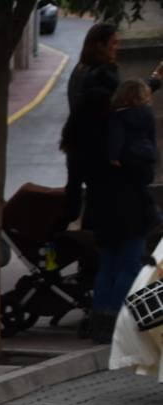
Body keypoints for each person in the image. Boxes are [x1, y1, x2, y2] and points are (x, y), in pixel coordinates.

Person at [61, 23, 163, 230]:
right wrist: (152, 84)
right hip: (103, 162)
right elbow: (123, 103)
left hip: (87, 160)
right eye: (113, 43)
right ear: (100, 45)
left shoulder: (80, 73)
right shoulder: (101, 77)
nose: (116, 48)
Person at [91, 79, 162, 342]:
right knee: (130, 264)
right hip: (132, 205)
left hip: (105, 205)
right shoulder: (140, 119)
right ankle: (117, 319)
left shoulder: (107, 122)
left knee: (108, 264)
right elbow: (145, 167)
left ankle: (99, 318)